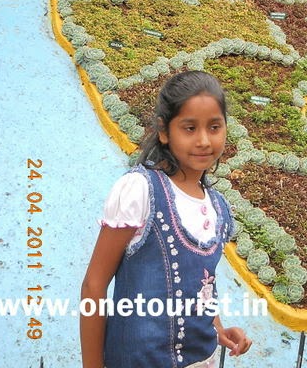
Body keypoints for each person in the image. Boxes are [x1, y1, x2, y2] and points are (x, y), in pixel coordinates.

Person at [80, 71, 252, 368]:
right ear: (164, 131)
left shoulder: (219, 207)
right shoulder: (139, 190)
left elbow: (202, 283)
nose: (203, 140)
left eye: (214, 127)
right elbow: (94, 286)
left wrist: (219, 329)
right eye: (189, 128)